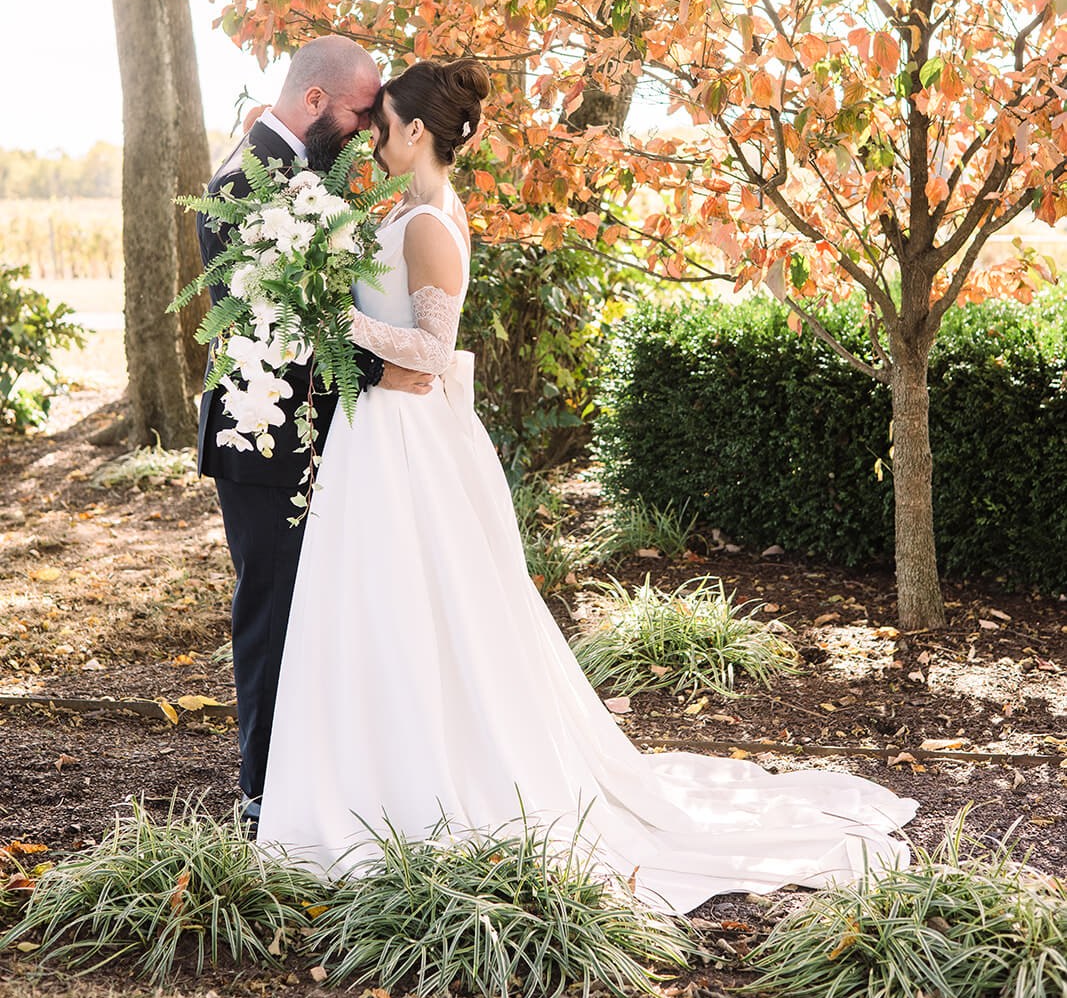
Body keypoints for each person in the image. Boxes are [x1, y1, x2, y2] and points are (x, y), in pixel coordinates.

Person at [257, 58, 917, 912]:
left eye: (380, 124)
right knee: (377, 609)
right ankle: (370, 780)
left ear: (415, 131)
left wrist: (330, 316)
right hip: (377, 435)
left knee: (417, 608)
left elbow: (431, 350)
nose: (370, 139)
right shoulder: (404, 211)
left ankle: (421, 785)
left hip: (405, 442)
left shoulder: (428, 225)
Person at [196, 35, 433, 830]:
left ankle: (316, 776)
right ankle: (263, 793)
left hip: (314, 432)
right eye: (360, 111)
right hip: (264, 438)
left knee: (317, 609)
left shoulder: (301, 173)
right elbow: (275, 323)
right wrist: (379, 371)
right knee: (272, 612)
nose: (367, 129)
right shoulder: (243, 185)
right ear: (313, 101)